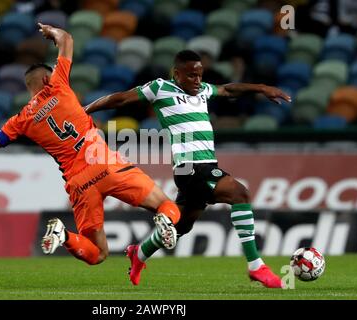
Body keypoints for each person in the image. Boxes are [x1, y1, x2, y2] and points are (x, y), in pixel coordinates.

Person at [0, 24, 181, 278]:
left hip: (79, 183)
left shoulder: (20, 120)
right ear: (47, 78)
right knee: (166, 206)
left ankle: (63, 234)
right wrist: (51, 32)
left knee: (97, 254)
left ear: (28, 88)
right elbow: (67, 38)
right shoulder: (58, 85)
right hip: (107, 164)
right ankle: (163, 221)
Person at [85, 50, 292, 288]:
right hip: (190, 167)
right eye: (192, 75)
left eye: (200, 75)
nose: (197, 80)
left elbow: (227, 89)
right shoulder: (160, 88)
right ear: (177, 73)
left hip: (206, 165)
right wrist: (85, 110)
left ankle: (139, 253)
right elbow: (120, 99)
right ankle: (256, 266)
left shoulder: (202, 90)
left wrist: (262, 88)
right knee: (239, 193)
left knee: (182, 224)